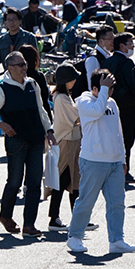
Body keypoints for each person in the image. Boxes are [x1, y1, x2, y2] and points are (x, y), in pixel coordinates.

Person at [0, 50, 54, 237]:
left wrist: (50, 130)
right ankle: (5, 216)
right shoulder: (1, 89)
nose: (25, 67)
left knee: (34, 183)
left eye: (25, 64)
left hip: (37, 139)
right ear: (10, 68)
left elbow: (41, 110)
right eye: (20, 65)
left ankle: (29, 225)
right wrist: (1, 125)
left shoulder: (32, 84)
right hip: (16, 141)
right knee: (14, 181)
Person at [68, 69, 135, 254]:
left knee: (117, 203)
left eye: (112, 88)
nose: (110, 92)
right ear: (94, 88)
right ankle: (75, 236)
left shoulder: (112, 103)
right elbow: (98, 111)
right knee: (86, 201)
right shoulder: (84, 101)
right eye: (106, 88)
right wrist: (104, 90)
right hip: (93, 160)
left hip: (114, 162)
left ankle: (116, 240)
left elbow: (118, 131)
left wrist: (122, 158)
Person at [48, 64, 83, 230]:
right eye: (73, 78)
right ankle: (54, 218)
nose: (75, 80)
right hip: (67, 140)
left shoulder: (63, 96)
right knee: (64, 180)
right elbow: (73, 117)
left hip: (71, 140)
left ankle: (75, 217)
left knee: (71, 180)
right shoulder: (61, 98)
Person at [108, 33, 135, 185]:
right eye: (130, 44)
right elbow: (133, 85)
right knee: (127, 139)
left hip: (110, 107)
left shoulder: (108, 61)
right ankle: (124, 172)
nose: (133, 47)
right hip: (127, 107)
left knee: (114, 139)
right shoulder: (127, 63)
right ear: (122, 46)